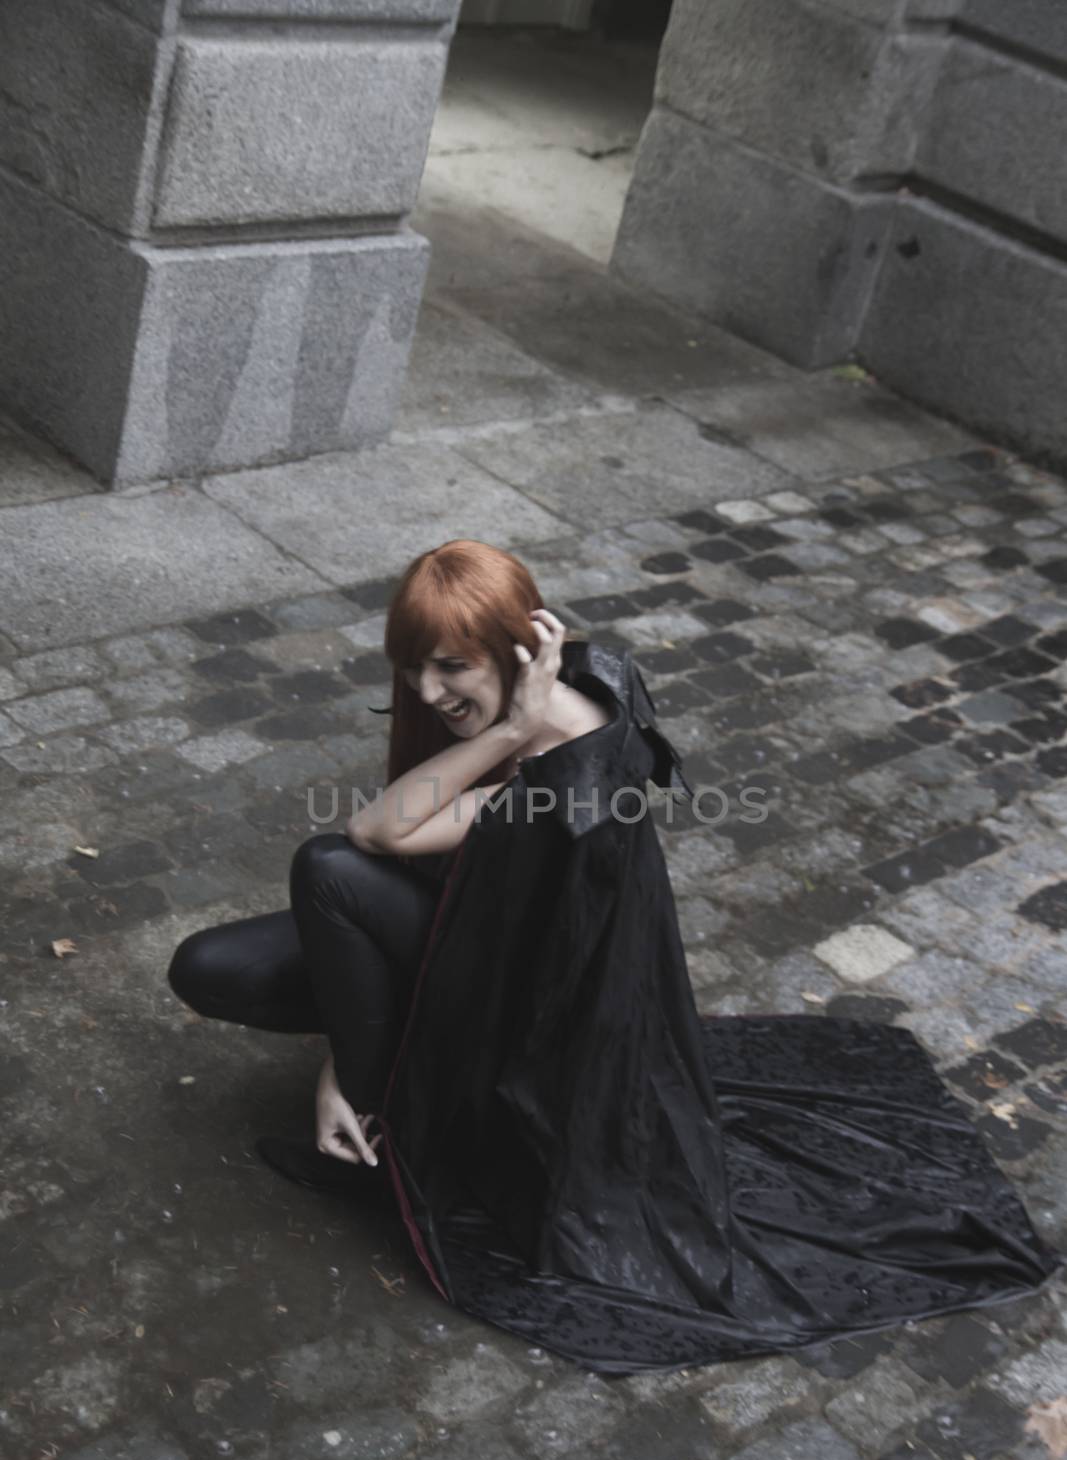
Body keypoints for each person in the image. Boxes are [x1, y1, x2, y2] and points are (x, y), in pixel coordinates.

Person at [169, 539, 1063, 1376]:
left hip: (524, 1008)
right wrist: (337, 1049)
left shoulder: (571, 779)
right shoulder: (577, 675)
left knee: (326, 868)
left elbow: (375, 833)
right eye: (413, 664)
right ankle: (376, 1070)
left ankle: (379, 1121)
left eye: (451, 666)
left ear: (521, 651)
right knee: (211, 966)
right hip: (473, 932)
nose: (428, 689)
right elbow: (437, 885)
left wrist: (509, 731)